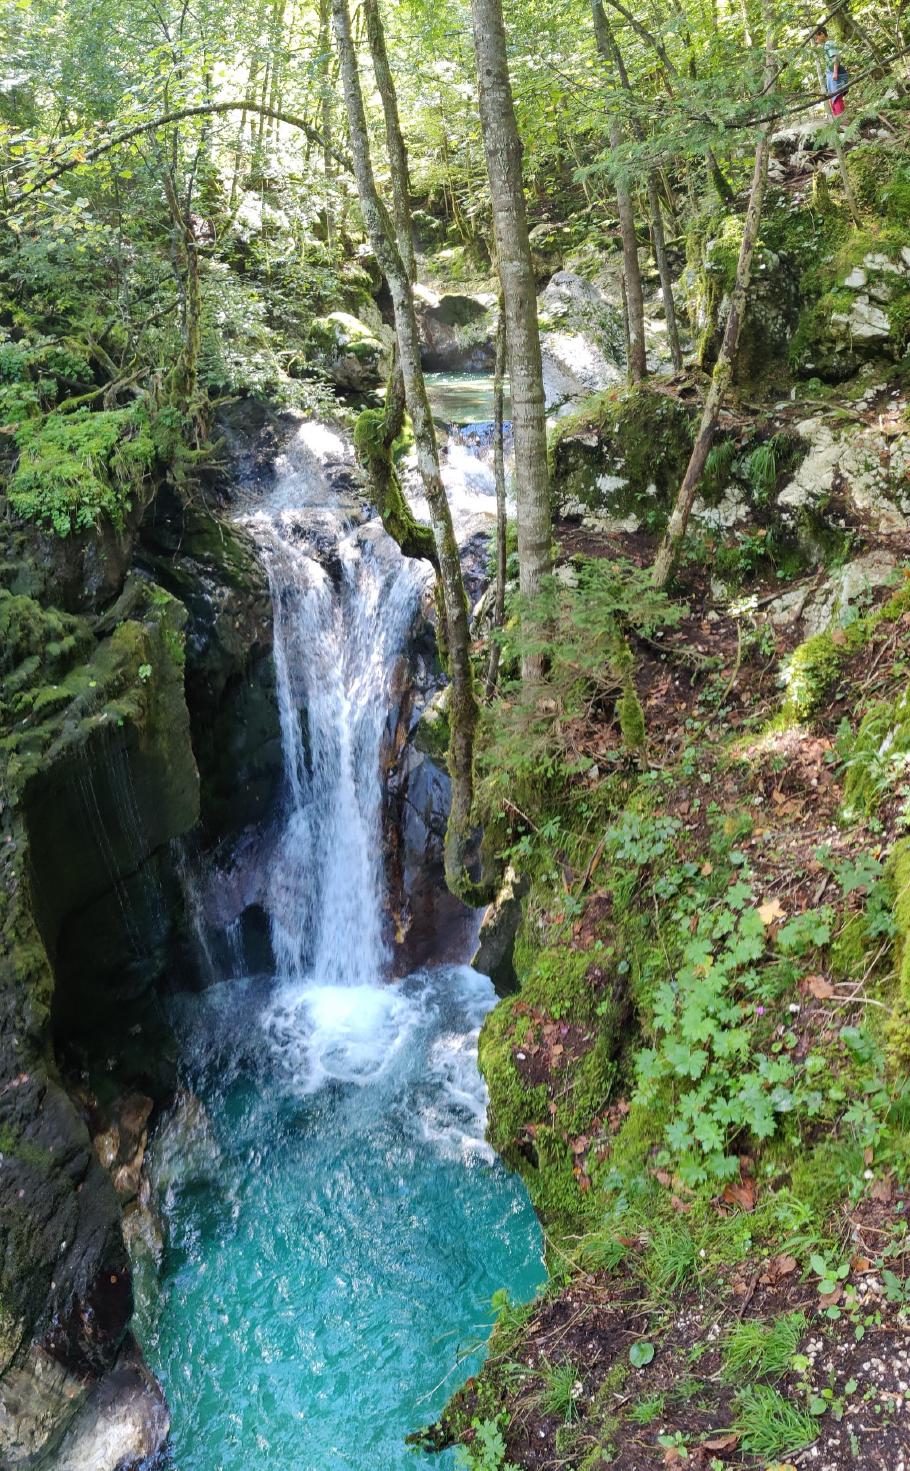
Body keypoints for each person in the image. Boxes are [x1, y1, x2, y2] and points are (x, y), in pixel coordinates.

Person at [814, 25, 849, 115]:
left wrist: (835, 73)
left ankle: (842, 119)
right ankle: (839, 120)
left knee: (836, 97)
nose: (815, 39)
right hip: (831, 73)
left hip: (836, 73)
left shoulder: (829, 43)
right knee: (832, 98)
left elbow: (835, 58)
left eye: (816, 36)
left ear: (821, 34)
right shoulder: (826, 45)